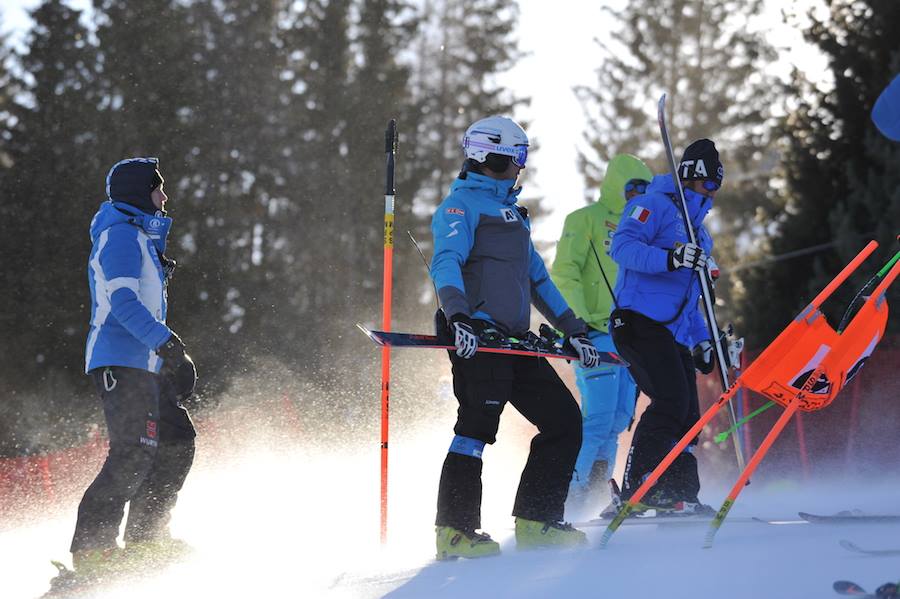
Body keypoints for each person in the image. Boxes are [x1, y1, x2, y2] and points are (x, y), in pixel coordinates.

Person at [430, 116, 602, 559]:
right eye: (518, 157)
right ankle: (454, 532)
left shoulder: (512, 214)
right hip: (478, 336)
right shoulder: (460, 206)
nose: (522, 167)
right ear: (492, 155)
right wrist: (459, 316)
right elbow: (446, 261)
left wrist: (576, 331)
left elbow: (539, 281)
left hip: (515, 340)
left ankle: (537, 521)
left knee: (565, 422)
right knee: (475, 429)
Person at [69, 157, 198, 579]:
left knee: (176, 438)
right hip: (119, 361)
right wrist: (169, 347)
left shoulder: (141, 238)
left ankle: (147, 536)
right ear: (139, 193)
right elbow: (123, 304)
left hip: (142, 361)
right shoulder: (120, 236)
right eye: (158, 189)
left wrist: (164, 354)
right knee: (133, 452)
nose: (164, 196)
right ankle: (94, 552)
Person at [607, 139, 724, 515]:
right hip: (637, 321)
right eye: (709, 183)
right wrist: (670, 257)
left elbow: (691, 301)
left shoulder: (700, 233)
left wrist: (703, 342)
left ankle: (679, 492)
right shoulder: (652, 205)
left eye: (717, 185)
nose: (712, 192)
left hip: (671, 331)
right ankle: (637, 487)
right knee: (670, 400)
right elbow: (621, 247)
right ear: (691, 176)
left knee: (689, 412)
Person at [550, 154, 653, 517]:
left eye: (645, 189)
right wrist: (579, 324)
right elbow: (564, 273)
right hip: (596, 331)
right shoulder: (585, 220)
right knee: (597, 418)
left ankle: (594, 496)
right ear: (615, 186)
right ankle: (569, 494)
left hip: (631, 336)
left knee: (618, 420)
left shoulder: (642, 230)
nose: (637, 195)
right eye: (632, 188)